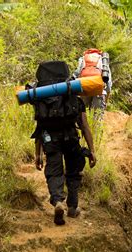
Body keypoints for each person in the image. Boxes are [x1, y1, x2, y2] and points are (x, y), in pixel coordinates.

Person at [31, 61, 97, 226]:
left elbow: (40, 127)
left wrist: (38, 154)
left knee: (54, 172)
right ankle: (73, 207)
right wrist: (92, 150)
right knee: (74, 171)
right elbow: (85, 126)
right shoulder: (72, 95)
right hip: (71, 138)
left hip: (49, 139)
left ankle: (58, 201)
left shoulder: (41, 98)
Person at [74, 48, 112, 137]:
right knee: (97, 116)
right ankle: (96, 137)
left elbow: (77, 72)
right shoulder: (103, 60)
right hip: (99, 90)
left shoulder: (83, 58)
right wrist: (105, 100)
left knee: (82, 114)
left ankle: (82, 137)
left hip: (84, 87)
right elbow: (108, 83)